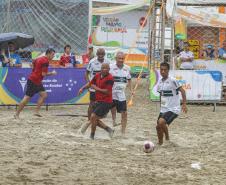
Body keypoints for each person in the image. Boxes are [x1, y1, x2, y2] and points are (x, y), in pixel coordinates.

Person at [14, 48, 57, 119]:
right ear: (48, 54)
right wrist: (52, 73)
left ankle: (36, 112)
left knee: (44, 95)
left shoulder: (38, 58)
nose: (53, 56)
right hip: (34, 81)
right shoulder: (45, 61)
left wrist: (36, 72)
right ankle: (17, 114)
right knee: (26, 98)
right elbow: (44, 74)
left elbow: (32, 65)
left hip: (36, 80)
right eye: (52, 55)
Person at [79, 63, 114, 140]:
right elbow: (90, 84)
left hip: (106, 102)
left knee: (93, 117)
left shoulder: (110, 78)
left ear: (109, 69)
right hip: (98, 100)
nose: (105, 69)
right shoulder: (97, 75)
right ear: (101, 69)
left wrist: (96, 88)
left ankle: (92, 136)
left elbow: (107, 91)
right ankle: (109, 130)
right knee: (93, 119)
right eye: (103, 68)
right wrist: (82, 88)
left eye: (106, 68)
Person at [156, 62, 187, 145]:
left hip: (174, 109)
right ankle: (160, 143)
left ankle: (167, 137)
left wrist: (184, 104)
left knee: (161, 122)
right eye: (161, 70)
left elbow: (183, 91)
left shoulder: (173, 80)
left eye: (164, 70)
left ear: (168, 70)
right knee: (158, 127)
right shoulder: (160, 83)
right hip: (164, 109)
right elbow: (161, 96)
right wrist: (161, 107)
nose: (162, 71)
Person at [110, 52, 133, 136]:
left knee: (124, 113)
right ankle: (113, 122)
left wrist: (131, 89)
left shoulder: (127, 68)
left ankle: (123, 132)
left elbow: (129, 79)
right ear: (116, 58)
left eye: (122, 58)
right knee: (112, 108)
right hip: (111, 93)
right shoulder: (111, 67)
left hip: (121, 94)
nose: (121, 60)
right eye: (119, 58)